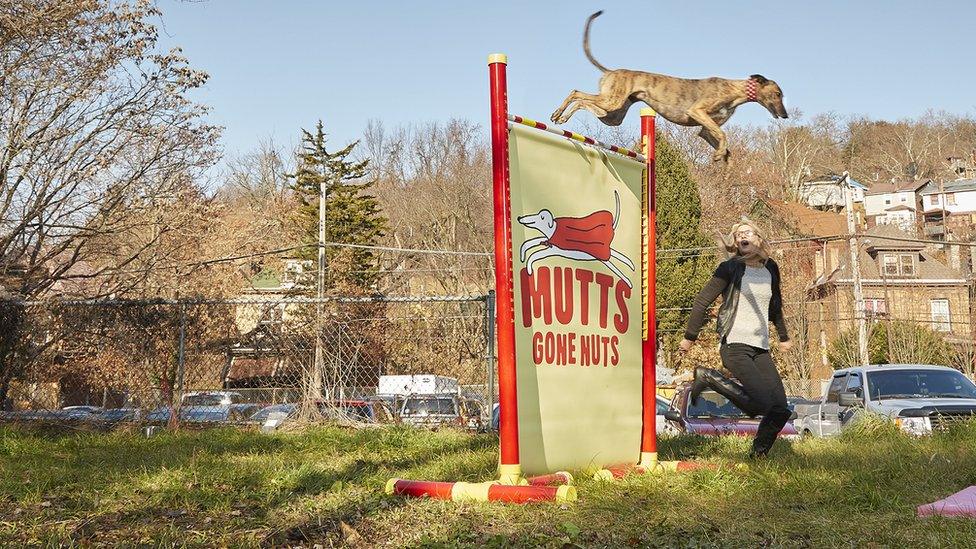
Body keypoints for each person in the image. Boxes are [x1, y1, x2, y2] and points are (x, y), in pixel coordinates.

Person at [678, 218, 793, 458]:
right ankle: (708, 377)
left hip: (760, 347)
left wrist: (783, 336)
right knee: (762, 404)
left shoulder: (770, 267)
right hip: (735, 345)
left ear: (759, 239)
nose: (743, 236)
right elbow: (701, 302)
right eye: (739, 234)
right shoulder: (729, 269)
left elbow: (775, 304)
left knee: (781, 409)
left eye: (749, 232)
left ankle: (758, 454)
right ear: (736, 243)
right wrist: (690, 337)